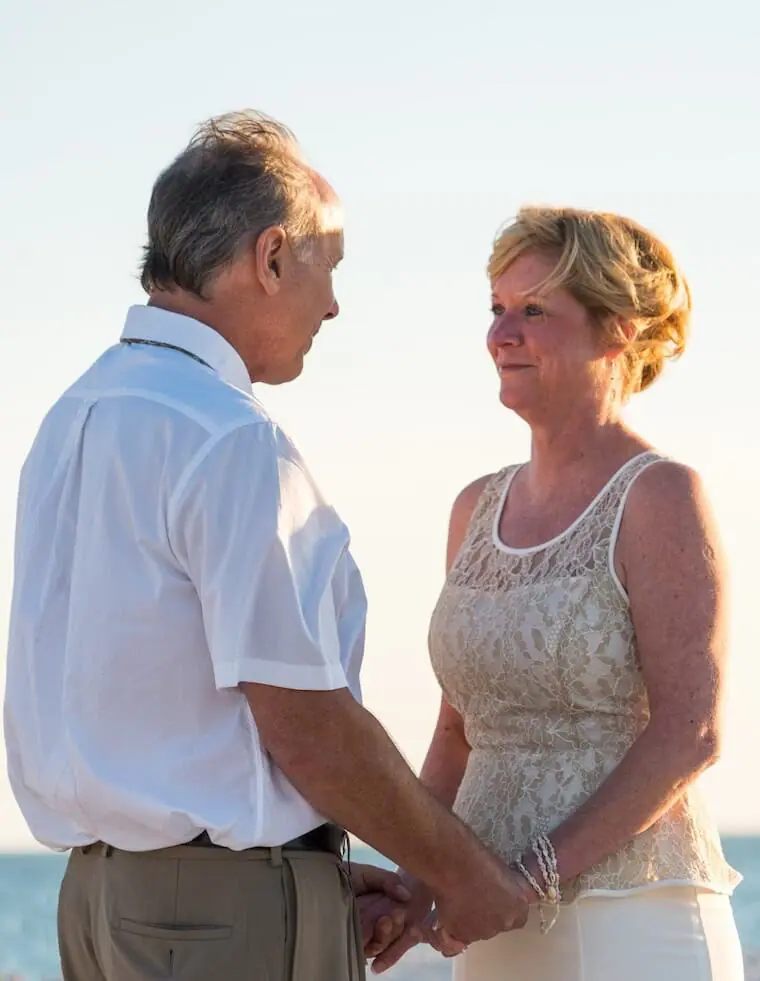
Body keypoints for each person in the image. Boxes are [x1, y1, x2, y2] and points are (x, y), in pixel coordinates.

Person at [3, 111, 532, 981]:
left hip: (99, 909)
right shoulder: (228, 439)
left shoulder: (72, 419)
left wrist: (308, 876)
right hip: (217, 921)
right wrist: (465, 873)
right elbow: (307, 725)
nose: (333, 301)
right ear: (272, 255)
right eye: (330, 264)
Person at [371, 207, 745, 980]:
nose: (501, 334)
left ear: (620, 330)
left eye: (534, 310)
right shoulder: (474, 508)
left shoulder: (661, 496)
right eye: (497, 308)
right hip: (488, 924)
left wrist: (528, 877)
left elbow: (690, 732)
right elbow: (455, 734)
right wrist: (411, 882)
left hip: (632, 921)